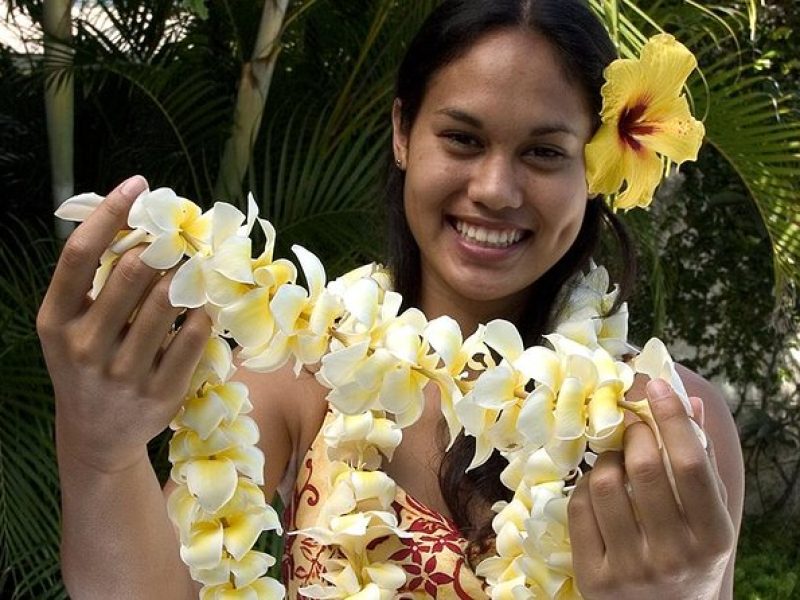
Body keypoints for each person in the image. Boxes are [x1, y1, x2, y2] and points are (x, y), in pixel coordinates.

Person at [37, 0, 743, 598]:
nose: (495, 188)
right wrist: (101, 453)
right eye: (462, 139)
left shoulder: (665, 433)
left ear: (596, 164)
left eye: (544, 152)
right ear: (405, 133)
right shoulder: (300, 376)